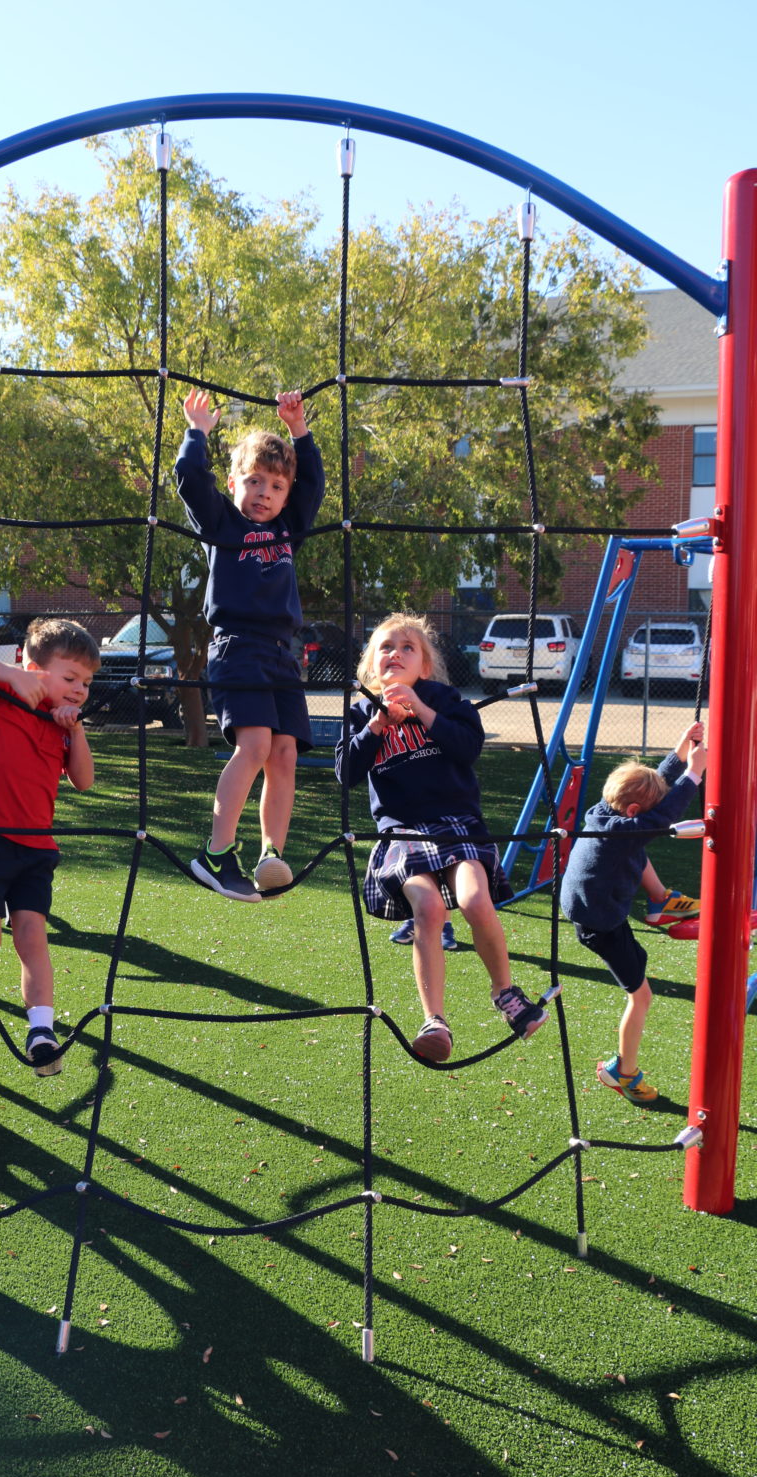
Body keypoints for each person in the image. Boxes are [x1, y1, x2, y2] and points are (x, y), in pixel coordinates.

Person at [335, 612, 547, 1063]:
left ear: (425, 667)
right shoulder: (359, 712)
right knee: (428, 909)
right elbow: (345, 773)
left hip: (456, 823)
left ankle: (506, 994)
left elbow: (468, 747)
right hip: (402, 833)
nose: (395, 652)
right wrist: (377, 726)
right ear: (371, 664)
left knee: (473, 900)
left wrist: (421, 709)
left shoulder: (445, 699)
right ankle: (435, 1020)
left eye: (408, 647)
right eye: (385, 647)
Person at [175, 387, 325, 901]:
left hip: (284, 652)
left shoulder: (288, 529)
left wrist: (299, 431)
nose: (265, 492)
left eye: (276, 486)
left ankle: (271, 855)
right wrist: (197, 433)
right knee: (255, 745)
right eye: (255, 481)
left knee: (283, 754)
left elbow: (314, 487)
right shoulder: (224, 525)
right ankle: (215, 852)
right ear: (236, 483)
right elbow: (193, 481)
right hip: (238, 646)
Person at [0, 618, 99, 1098]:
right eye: (69, 677)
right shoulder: (12, 695)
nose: (78, 689)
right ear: (35, 669)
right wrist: (13, 677)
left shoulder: (61, 726)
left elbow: (84, 780)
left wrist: (74, 731)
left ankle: (41, 1029)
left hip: (36, 847)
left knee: (33, 935)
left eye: (86, 683)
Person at [561, 722, 707, 1104]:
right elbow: (663, 817)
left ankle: (659, 901)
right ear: (633, 810)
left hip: (591, 902)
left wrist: (681, 747)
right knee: (641, 997)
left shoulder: (606, 814)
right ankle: (622, 1073)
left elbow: (653, 788)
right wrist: (694, 773)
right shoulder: (628, 829)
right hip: (600, 922)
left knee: (634, 846)